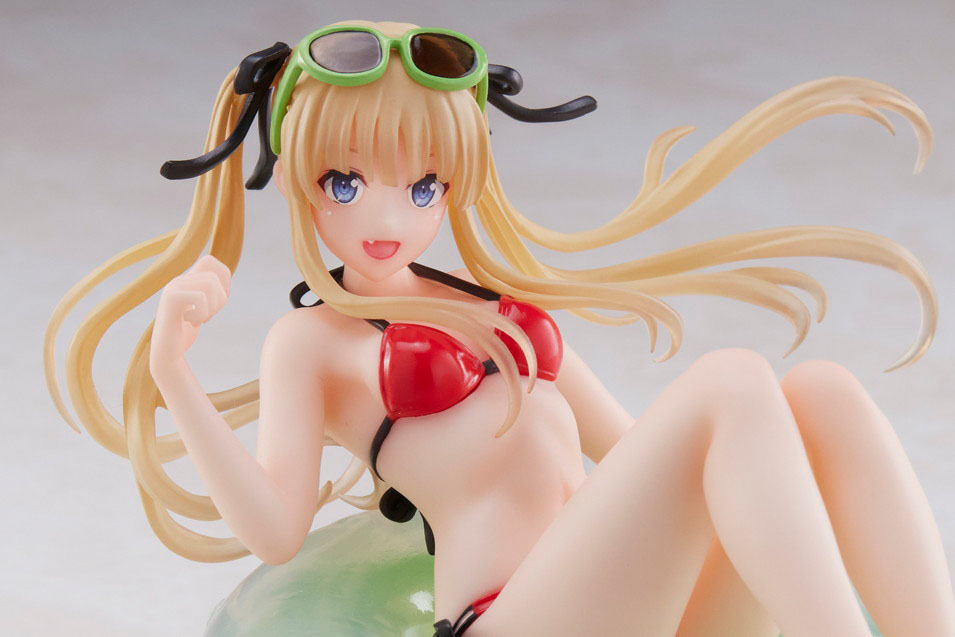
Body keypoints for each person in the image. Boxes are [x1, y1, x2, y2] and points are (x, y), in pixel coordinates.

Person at [44, 19, 955, 637]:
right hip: (510, 616)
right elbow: (276, 532)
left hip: (625, 603)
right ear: (294, 177)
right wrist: (172, 369)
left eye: (423, 185)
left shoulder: (490, 304)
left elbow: (640, 452)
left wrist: (761, 481)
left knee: (819, 394)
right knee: (731, 381)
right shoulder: (311, 344)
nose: (386, 215)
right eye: (345, 182)